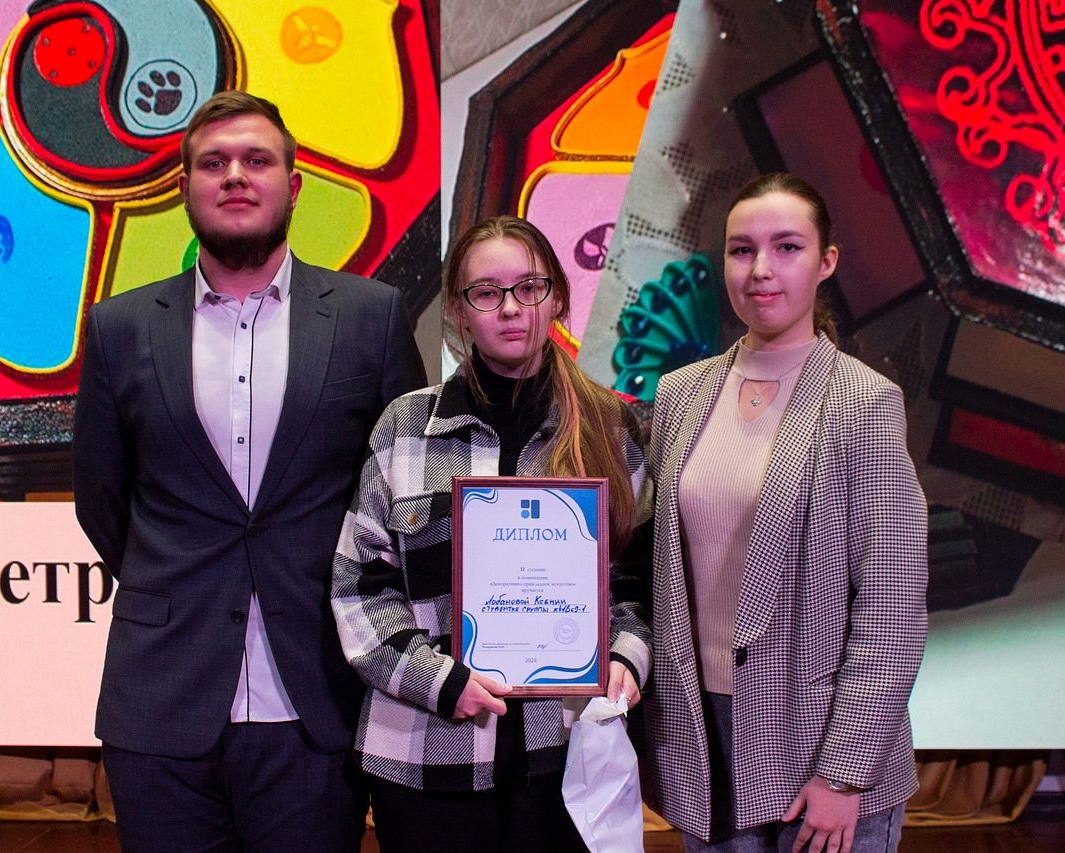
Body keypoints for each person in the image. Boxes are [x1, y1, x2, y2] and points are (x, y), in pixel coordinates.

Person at [72, 90, 426, 852]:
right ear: (184, 187)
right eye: (214, 163)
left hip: (318, 696)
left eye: (256, 160)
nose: (235, 175)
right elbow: (101, 498)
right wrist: (180, 576)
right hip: (161, 700)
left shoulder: (371, 317)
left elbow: (406, 494)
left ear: (292, 186)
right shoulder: (119, 326)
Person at [330, 215, 652, 853]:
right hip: (426, 759)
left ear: (557, 297)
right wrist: (439, 682)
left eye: (528, 287)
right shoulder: (406, 427)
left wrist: (625, 656)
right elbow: (358, 586)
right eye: (486, 292)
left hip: (569, 757)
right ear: (458, 310)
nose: (510, 308)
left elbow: (638, 581)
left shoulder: (613, 427)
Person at [641, 173, 928, 853]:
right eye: (741, 250)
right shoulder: (680, 393)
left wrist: (845, 773)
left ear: (826, 262)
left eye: (787, 247)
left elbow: (892, 607)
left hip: (819, 739)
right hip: (703, 736)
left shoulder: (864, 403)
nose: (761, 269)